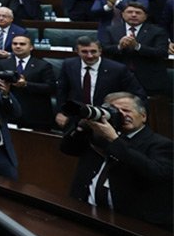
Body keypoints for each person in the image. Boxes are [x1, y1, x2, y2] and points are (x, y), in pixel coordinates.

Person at [61, 93, 172, 228]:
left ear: (143, 116)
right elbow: (67, 149)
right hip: (87, 212)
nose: (121, 115)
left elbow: (155, 173)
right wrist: (81, 126)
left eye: (126, 111)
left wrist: (114, 140)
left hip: (131, 224)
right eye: (114, 111)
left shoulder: (161, 144)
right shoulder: (98, 136)